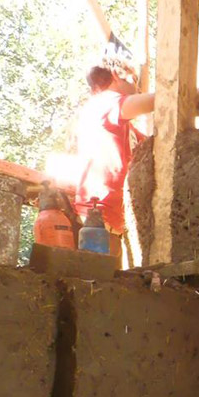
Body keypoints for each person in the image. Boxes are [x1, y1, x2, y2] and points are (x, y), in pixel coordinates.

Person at [75, 57, 154, 258]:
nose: (137, 88)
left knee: (108, 275)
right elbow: (143, 103)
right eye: (134, 80)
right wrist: (187, 96)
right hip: (97, 218)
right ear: (118, 75)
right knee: (99, 275)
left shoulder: (127, 130)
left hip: (111, 220)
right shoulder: (103, 103)